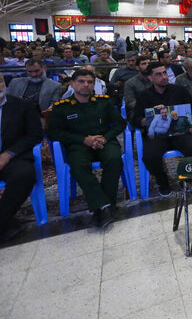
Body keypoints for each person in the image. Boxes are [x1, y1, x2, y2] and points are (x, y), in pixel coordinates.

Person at [48, 70, 126, 229]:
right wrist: (83, 140)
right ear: (72, 84)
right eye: (81, 81)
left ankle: (103, 205)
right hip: (78, 144)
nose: (86, 85)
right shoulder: (61, 107)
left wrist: (105, 138)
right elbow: (53, 132)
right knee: (78, 165)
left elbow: (120, 123)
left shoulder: (103, 102)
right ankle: (104, 205)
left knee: (114, 159)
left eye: (90, 82)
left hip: (103, 140)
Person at [132, 61, 192, 195]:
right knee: (150, 157)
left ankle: (187, 177)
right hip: (157, 135)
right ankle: (162, 180)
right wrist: (147, 119)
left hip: (179, 132)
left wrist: (190, 123)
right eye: (158, 74)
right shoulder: (144, 95)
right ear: (150, 78)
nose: (164, 77)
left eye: (164, 73)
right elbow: (135, 119)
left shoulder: (179, 90)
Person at [0, 78, 44, 242]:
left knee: (24, 175)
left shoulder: (22, 106)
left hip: (13, 157)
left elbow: (35, 134)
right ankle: (6, 224)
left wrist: (7, 154)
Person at [123, 55, 153, 122]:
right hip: (138, 113)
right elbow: (130, 103)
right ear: (137, 67)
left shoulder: (156, 80)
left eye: (149, 63)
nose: (147, 65)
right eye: (144, 64)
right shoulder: (130, 83)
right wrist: (148, 108)